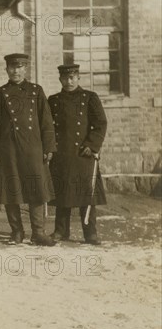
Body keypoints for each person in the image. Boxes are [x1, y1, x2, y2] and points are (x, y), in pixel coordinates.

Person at [0, 53, 57, 246]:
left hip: (33, 147)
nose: (16, 71)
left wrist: (49, 146)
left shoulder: (36, 91)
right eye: (12, 67)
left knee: (36, 189)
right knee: (11, 191)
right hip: (8, 150)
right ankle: (16, 231)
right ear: (6, 69)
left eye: (20, 67)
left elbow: (46, 121)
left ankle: (38, 232)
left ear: (26, 69)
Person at [48, 64, 107, 245]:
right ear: (60, 79)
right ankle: (60, 231)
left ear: (78, 78)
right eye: (65, 78)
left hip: (83, 153)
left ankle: (90, 233)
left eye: (72, 77)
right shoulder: (54, 100)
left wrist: (92, 145)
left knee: (86, 194)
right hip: (62, 154)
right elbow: (48, 127)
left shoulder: (89, 98)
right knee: (62, 194)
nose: (69, 81)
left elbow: (100, 123)